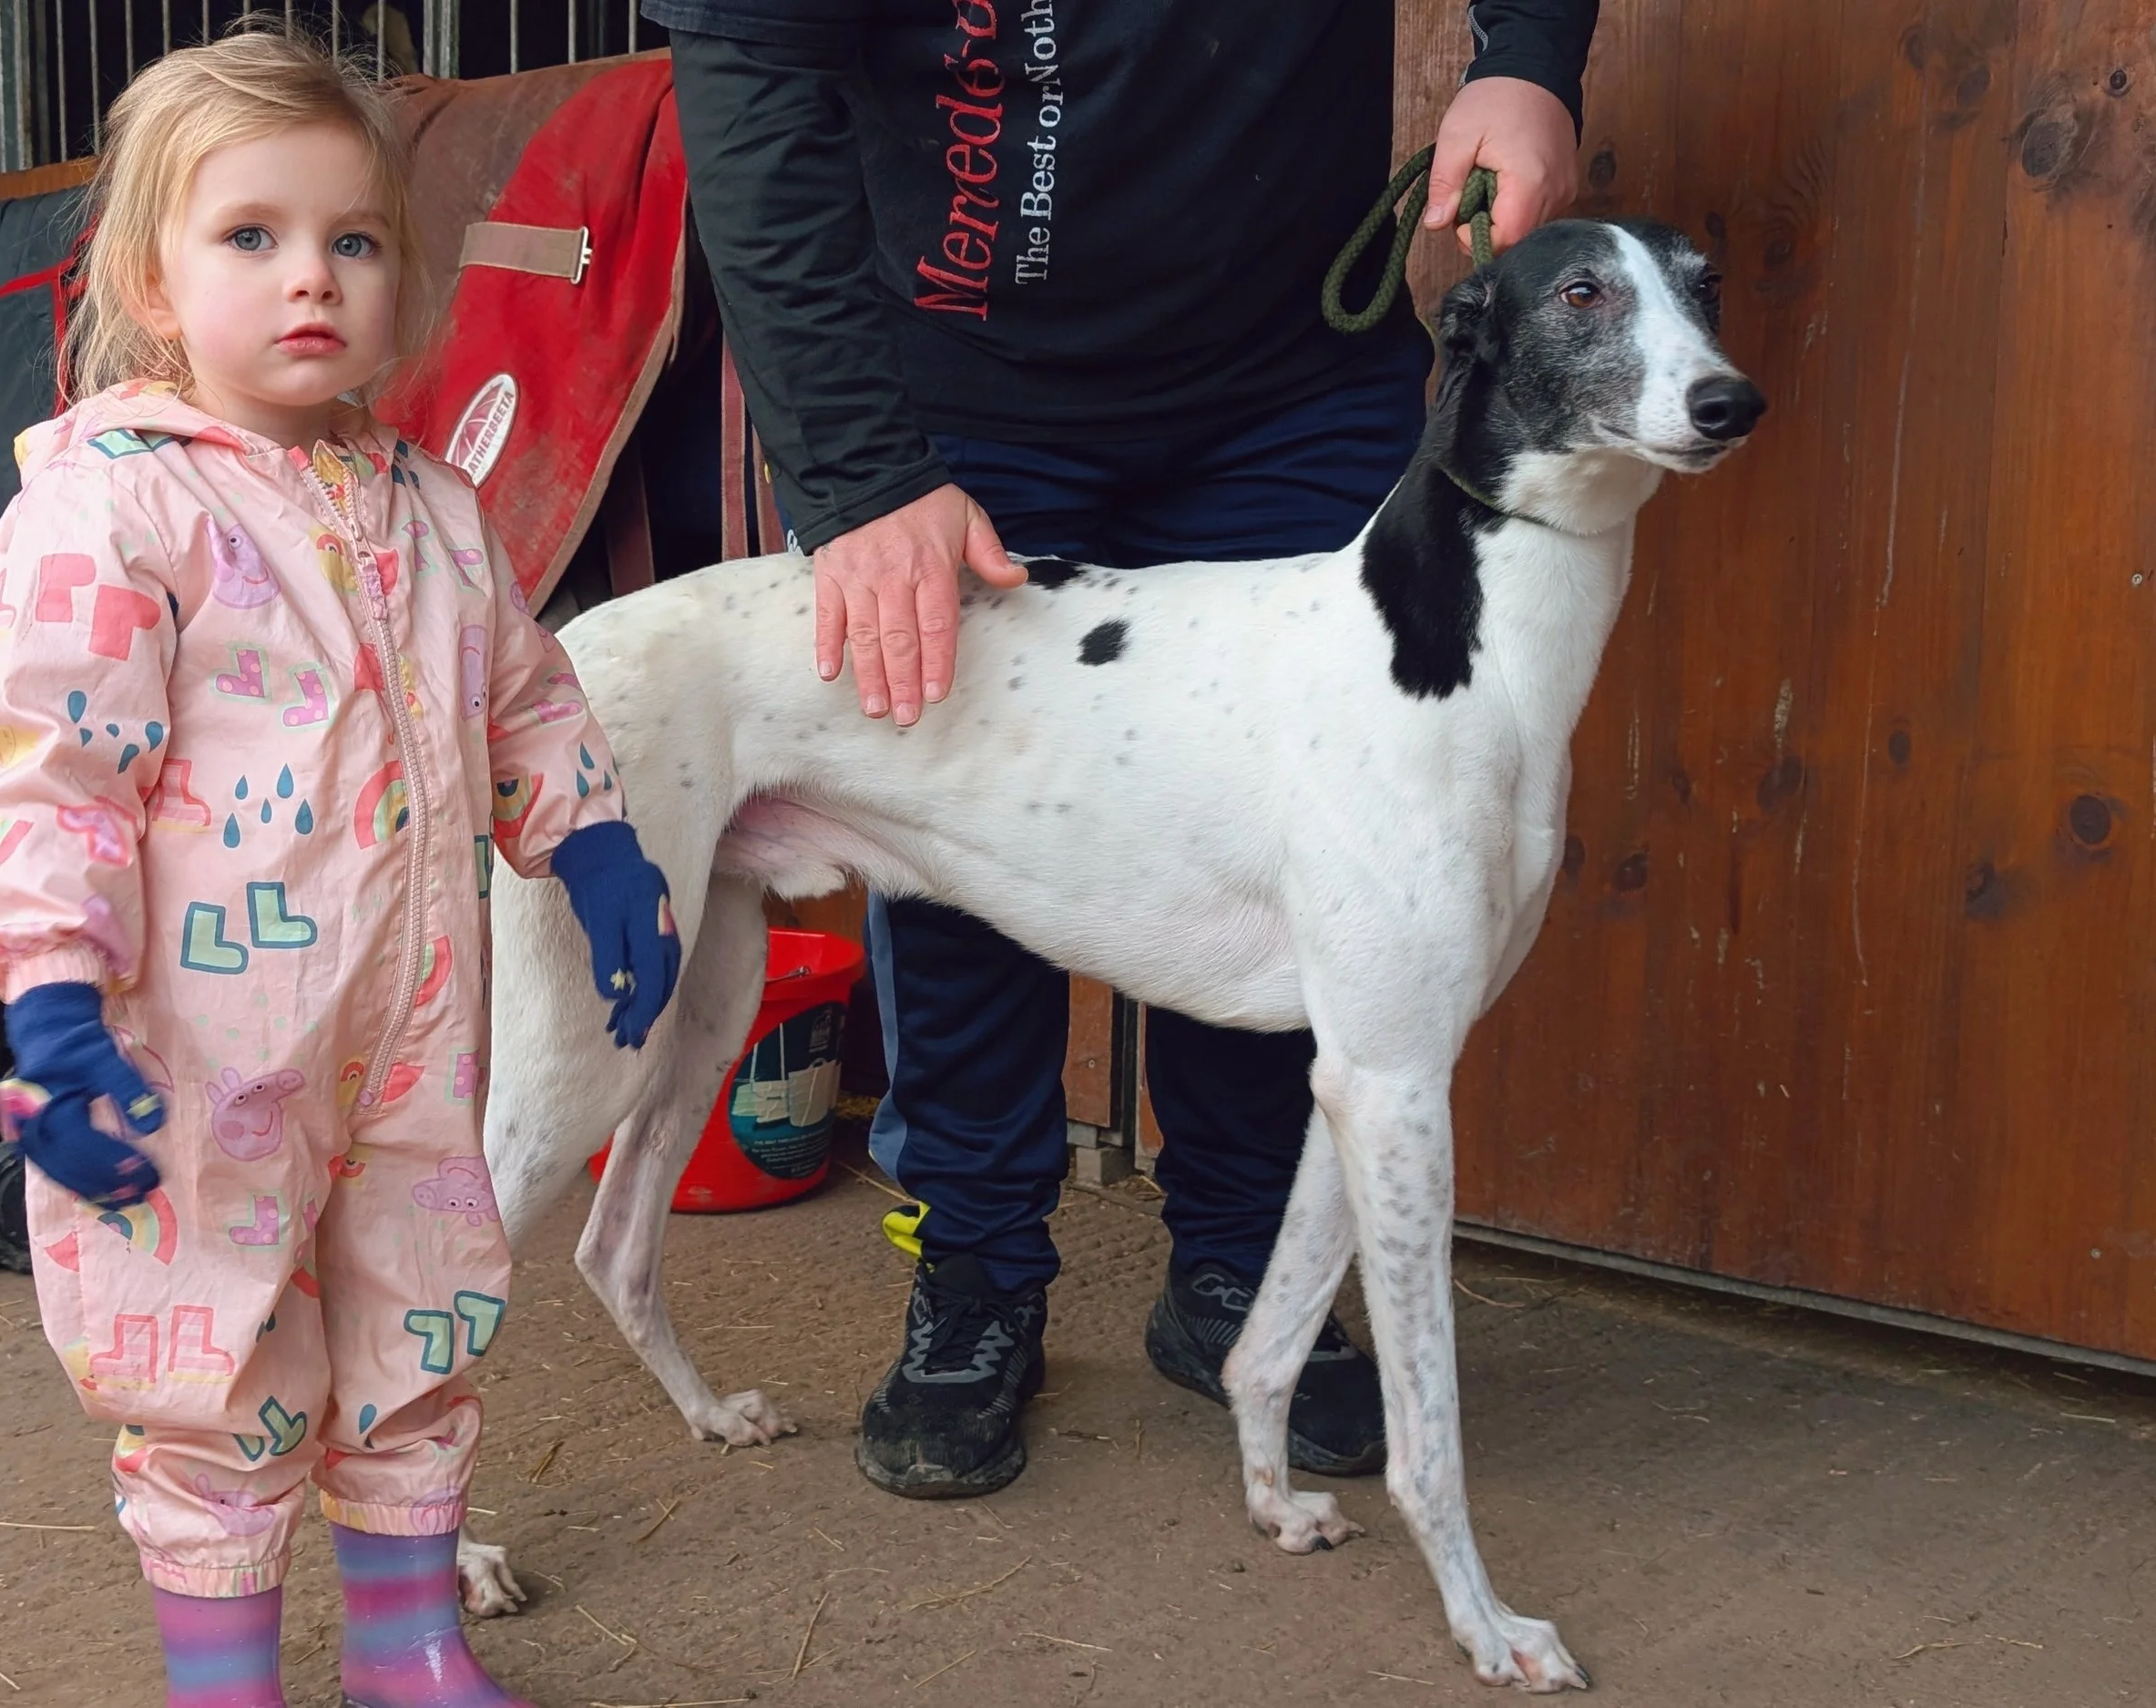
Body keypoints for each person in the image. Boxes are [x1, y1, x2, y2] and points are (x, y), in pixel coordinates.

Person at [646, 0, 1599, 1498]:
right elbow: (751, 65)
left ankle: (1235, 1266)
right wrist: (857, 469)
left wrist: (1530, 56)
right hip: (960, 380)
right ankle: (974, 1271)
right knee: (956, 826)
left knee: (1314, 833)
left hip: (1294, 364)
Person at [0, 30, 679, 1708]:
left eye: (353, 242)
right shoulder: (110, 515)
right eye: (252, 237)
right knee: (216, 1348)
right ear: (151, 275)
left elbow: (517, 691)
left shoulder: (432, 500)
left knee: (421, 1314)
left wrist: (595, 839)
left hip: (415, 1035)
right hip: (198, 1055)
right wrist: (55, 997)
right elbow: (53, 779)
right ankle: (224, 1675)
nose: (313, 281)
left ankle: (406, 1638)